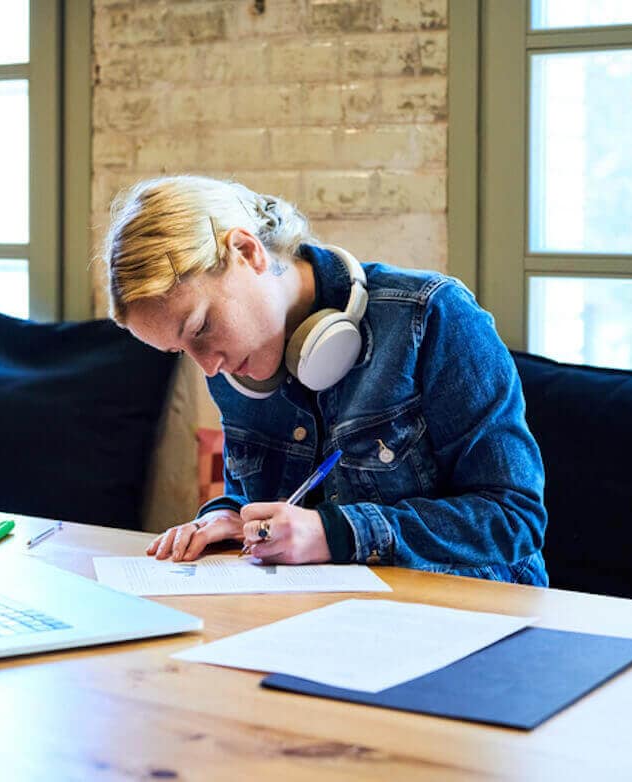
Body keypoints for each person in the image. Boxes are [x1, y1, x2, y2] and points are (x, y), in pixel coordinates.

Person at [100, 174, 548, 585]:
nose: (208, 368)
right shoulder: (234, 363)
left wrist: (335, 533)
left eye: (200, 328)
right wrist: (230, 517)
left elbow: (514, 519)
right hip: (338, 622)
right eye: (182, 352)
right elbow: (255, 496)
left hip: (480, 617)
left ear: (247, 252)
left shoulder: (432, 315)